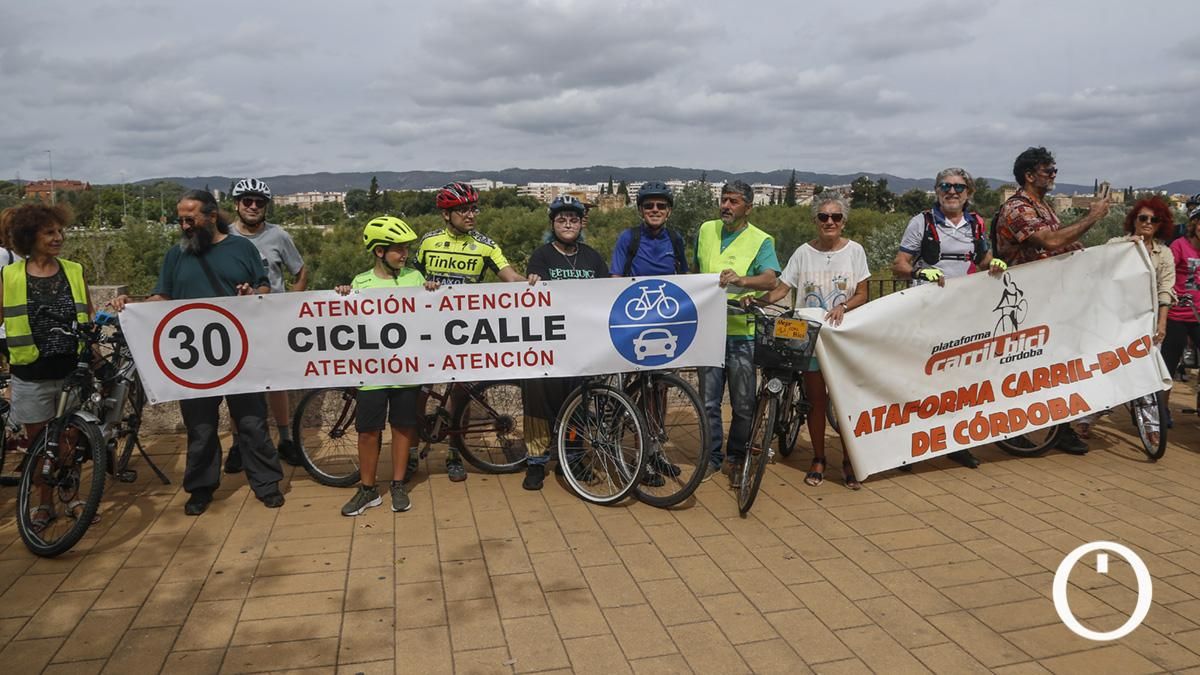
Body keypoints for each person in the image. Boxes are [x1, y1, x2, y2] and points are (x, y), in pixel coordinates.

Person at [112, 190, 284, 516]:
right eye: (180, 219)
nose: (185, 225)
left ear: (211, 215)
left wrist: (252, 293)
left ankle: (267, 484)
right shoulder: (175, 256)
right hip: (195, 363)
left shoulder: (241, 248)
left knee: (252, 423)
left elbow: (264, 287)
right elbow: (162, 297)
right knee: (201, 429)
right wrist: (131, 305)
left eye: (191, 218)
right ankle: (201, 489)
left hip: (241, 355)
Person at [413, 182, 538, 482]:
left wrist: (532, 282)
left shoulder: (485, 245)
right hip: (429, 327)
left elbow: (510, 276)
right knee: (417, 391)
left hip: (464, 329)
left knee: (461, 392)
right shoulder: (428, 242)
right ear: (446, 214)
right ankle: (411, 451)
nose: (471, 214)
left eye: (473, 208)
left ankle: (455, 453)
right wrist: (422, 284)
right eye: (463, 209)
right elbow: (410, 278)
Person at [993, 146, 1110, 455]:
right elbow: (1050, 240)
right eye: (1049, 171)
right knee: (1021, 370)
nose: (1054, 175)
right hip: (1023, 301)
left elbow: (1058, 244)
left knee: (1054, 367)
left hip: (1047, 299)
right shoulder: (1018, 209)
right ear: (1030, 176)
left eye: (1054, 170)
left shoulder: (1043, 207)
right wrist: (1093, 217)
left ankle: (1061, 428)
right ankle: (1010, 428)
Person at [892, 168, 1008, 469]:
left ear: (968, 192)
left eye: (958, 187)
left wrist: (992, 262)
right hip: (927, 308)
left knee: (958, 379)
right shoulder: (922, 222)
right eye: (945, 186)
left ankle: (956, 444)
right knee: (920, 378)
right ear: (937, 190)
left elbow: (982, 259)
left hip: (962, 311)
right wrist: (919, 272)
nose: (952, 192)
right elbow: (900, 264)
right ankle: (909, 444)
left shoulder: (976, 224)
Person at [755, 193, 869, 489]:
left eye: (836, 217)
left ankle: (849, 460)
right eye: (823, 217)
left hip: (842, 339)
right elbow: (782, 289)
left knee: (844, 403)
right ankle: (819, 458)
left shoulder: (855, 251)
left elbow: (862, 294)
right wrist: (756, 301)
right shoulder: (803, 253)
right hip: (810, 338)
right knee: (816, 402)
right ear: (815, 221)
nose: (829, 222)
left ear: (844, 222)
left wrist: (843, 307)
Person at [335, 217, 437, 515]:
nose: (405, 254)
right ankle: (368, 489)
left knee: (404, 426)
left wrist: (432, 290)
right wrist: (341, 296)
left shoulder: (415, 278)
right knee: (368, 430)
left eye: (406, 249)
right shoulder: (361, 282)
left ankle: (397, 483)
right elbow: (347, 322)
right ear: (379, 251)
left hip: (406, 369)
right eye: (398, 249)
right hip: (373, 370)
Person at [0, 203, 93, 529]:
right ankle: (43, 503)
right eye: (49, 232)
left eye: (59, 231)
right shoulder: (9, 276)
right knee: (39, 446)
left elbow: (89, 316)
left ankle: (74, 497)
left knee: (70, 442)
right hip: (31, 372)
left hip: (70, 370)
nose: (58, 237)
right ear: (30, 237)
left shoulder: (74, 270)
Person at [694, 180, 781, 487]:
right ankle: (711, 458)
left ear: (748, 207)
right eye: (723, 199)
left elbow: (770, 280)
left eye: (733, 201)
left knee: (743, 404)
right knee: (707, 402)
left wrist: (743, 281)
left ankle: (736, 457)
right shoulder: (706, 230)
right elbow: (696, 273)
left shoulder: (761, 240)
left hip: (741, 333)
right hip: (707, 332)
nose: (726, 206)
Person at [521, 196, 610, 490]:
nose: (568, 224)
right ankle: (535, 462)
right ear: (553, 224)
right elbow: (538, 297)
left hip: (582, 343)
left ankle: (571, 457)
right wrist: (532, 281)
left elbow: (604, 293)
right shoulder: (542, 255)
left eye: (573, 219)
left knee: (578, 401)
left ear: (581, 223)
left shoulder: (592, 257)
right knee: (537, 400)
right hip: (549, 344)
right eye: (562, 220)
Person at [224, 178, 307, 474]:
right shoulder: (224, 235)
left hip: (271, 319)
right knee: (237, 383)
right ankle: (237, 444)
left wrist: (291, 305)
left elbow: (299, 271)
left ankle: (284, 439)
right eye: (248, 201)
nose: (254, 206)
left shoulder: (279, 235)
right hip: (235, 321)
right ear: (237, 204)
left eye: (260, 202)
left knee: (277, 382)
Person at [1075, 197, 1175, 442]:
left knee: (1148, 376)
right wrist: (1125, 251)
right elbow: (1099, 271)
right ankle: (1089, 417)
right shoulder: (1116, 244)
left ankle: (1152, 426)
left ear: (1162, 223)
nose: (1148, 223)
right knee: (1106, 369)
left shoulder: (1164, 253)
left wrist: (1162, 324)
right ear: (1134, 220)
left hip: (1147, 322)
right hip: (1115, 320)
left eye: (1154, 219)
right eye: (1143, 218)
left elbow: (1166, 290)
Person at [610, 181, 689, 277]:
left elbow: (685, 276)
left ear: (669, 211)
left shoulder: (676, 239)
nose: (655, 210)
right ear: (640, 210)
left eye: (661, 206)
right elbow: (616, 277)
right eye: (648, 206)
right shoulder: (628, 238)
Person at [1162, 205, 1200, 393]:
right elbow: (1166, 274)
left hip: (1199, 316)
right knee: (1168, 365)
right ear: (1194, 225)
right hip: (1178, 314)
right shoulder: (1179, 246)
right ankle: (1164, 410)